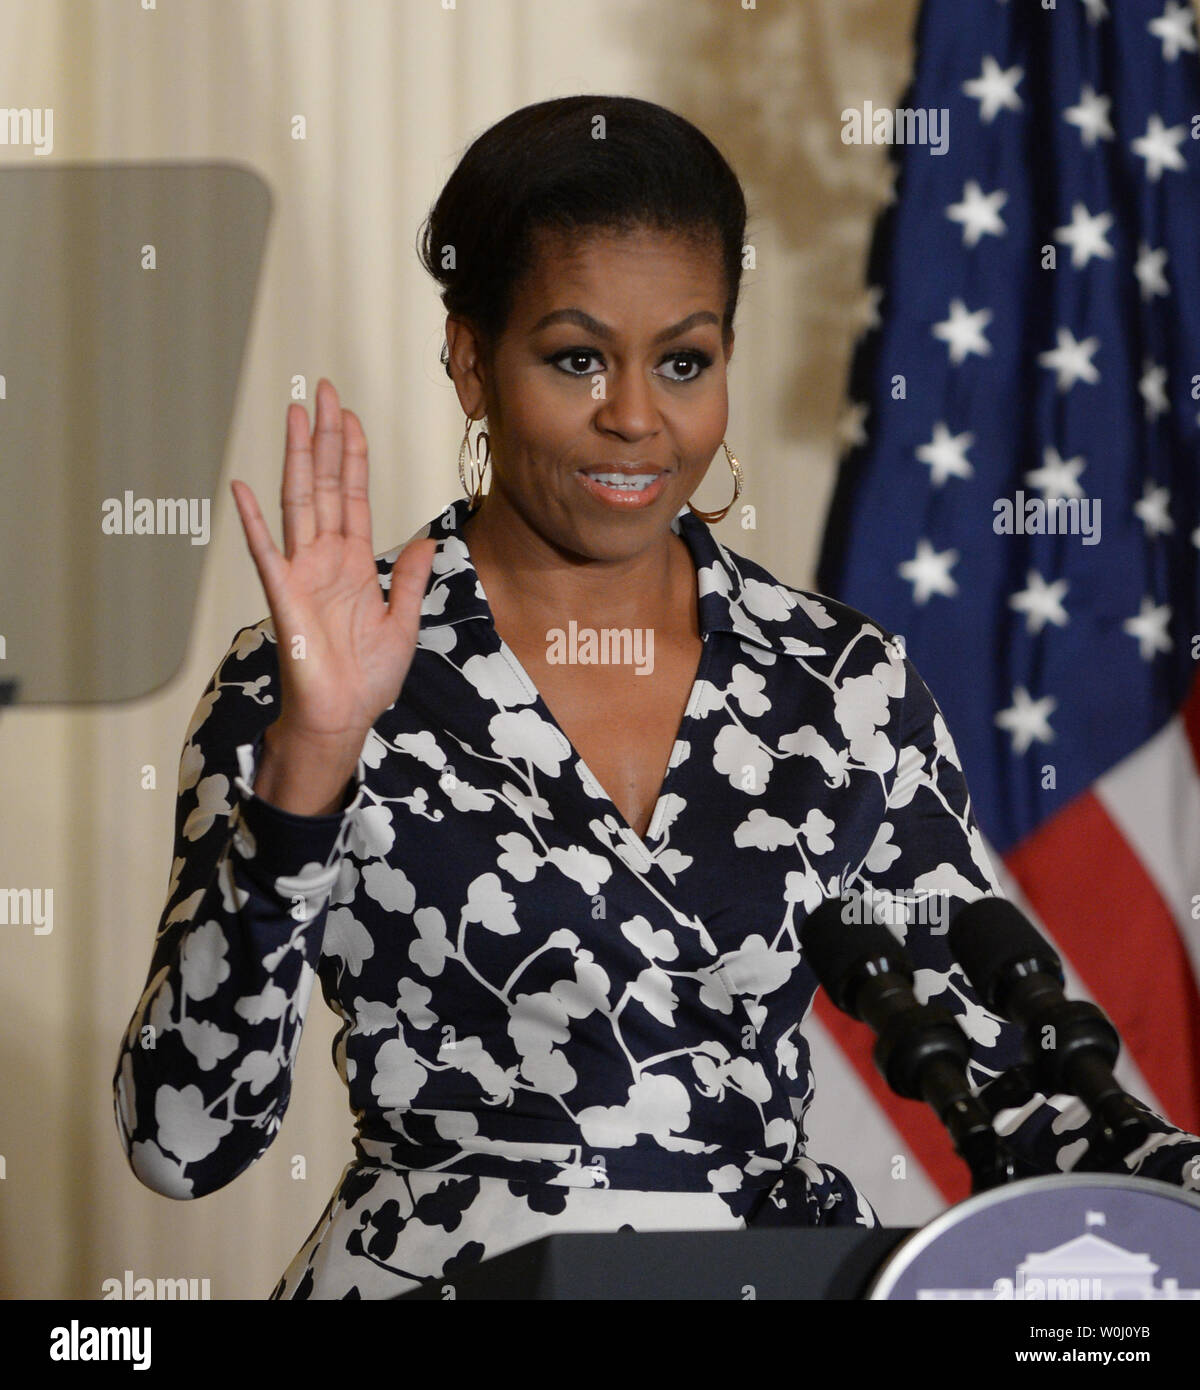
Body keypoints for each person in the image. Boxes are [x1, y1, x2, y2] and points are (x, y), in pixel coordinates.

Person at [112, 94, 1200, 1300]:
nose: (636, 417)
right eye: (576, 357)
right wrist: (311, 761)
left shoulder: (842, 684)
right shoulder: (306, 673)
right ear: (471, 360)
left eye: (684, 360)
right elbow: (181, 1141)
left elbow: (1016, 1091)